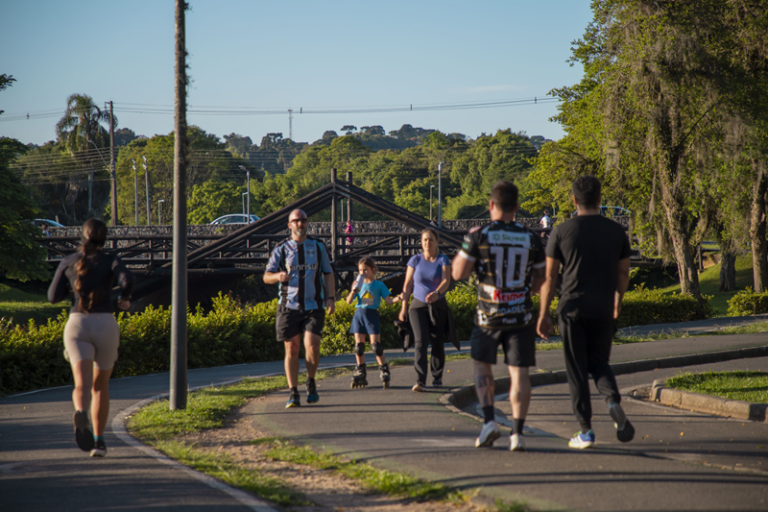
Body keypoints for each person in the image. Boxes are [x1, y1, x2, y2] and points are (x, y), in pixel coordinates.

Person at [536, 175, 634, 449]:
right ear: (600, 200)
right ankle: (612, 400)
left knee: (577, 371)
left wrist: (543, 314)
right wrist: (618, 299)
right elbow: (623, 273)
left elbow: (550, 278)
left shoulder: (561, 231)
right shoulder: (616, 232)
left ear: (574, 200)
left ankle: (586, 430)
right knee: (599, 362)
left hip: (571, 309)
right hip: (603, 308)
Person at [452, 181, 546, 451]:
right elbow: (541, 280)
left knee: (483, 368)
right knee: (520, 375)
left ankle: (490, 422)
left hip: (487, 317)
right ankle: (517, 433)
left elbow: (460, 273)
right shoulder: (531, 238)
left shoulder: (478, 235)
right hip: (521, 317)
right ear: (516, 207)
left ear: (491, 205)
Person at [47, 218, 134, 457]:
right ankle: (99, 441)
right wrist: (125, 298)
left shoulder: (69, 262)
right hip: (105, 323)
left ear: (82, 236)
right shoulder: (111, 260)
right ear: (104, 238)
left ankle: (80, 411)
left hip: (78, 324)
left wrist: (72, 288)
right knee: (100, 387)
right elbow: (127, 279)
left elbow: (53, 297)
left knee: (81, 385)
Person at [264, 209, 336, 408]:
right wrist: (278, 276)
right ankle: (293, 392)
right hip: (289, 306)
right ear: (289, 225)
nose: (300, 224)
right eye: (296, 221)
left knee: (312, 346)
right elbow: (266, 276)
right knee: (291, 348)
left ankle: (311, 382)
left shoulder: (318, 246)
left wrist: (331, 298)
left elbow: (328, 273)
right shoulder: (281, 248)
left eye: (303, 220)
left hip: (314, 305)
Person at [399, 228, 451, 391]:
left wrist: (436, 293)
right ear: (421, 243)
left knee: (437, 341)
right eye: (424, 240)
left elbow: (446, 281)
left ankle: (437, 378)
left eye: (430, 240)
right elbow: (407, 285)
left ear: (437, 242)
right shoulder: (415, 260)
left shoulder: (443, 259)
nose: (427, 242)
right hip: (418, 306)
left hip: (438, 305)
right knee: (421, 341)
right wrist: (403, 308)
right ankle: (420, 380)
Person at [346, 257, 401, 389]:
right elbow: (349, 301)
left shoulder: (379, 285)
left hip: (371, 315)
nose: (362, 272)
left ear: (372, 270)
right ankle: (360, 370)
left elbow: (388, 301)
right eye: (360, 270)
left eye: (365, 269)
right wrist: (353, 290)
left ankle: (383, 368)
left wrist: (399, 298)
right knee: (359, 346)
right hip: (359, 314)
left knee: (376, 346)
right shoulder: (357, 284)